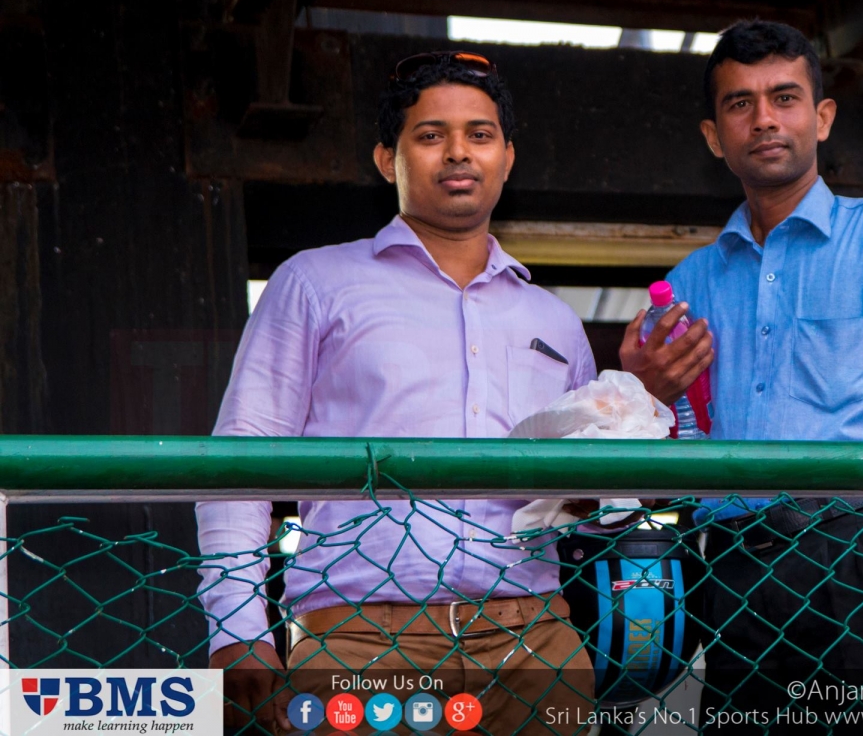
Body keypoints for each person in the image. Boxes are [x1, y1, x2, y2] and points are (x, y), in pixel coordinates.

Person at [620, 20, 863, 731]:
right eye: (740, 103)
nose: (764, 119)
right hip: (731, 570)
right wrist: (642, 396)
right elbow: (661, 482)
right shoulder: (687, 286)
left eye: (784, 97)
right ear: (714, 136)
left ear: (822, 117)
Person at [197, 51, 597, 735]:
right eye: (431, 134)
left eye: (480, 134)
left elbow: (586, 509)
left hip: (537, 642)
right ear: (388, 160)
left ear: (507, 157)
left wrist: (606, 485)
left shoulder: (555, 320)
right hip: (361, 644)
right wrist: (236, 627)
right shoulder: (315, 283)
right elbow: (242, 456)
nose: (458, 152)